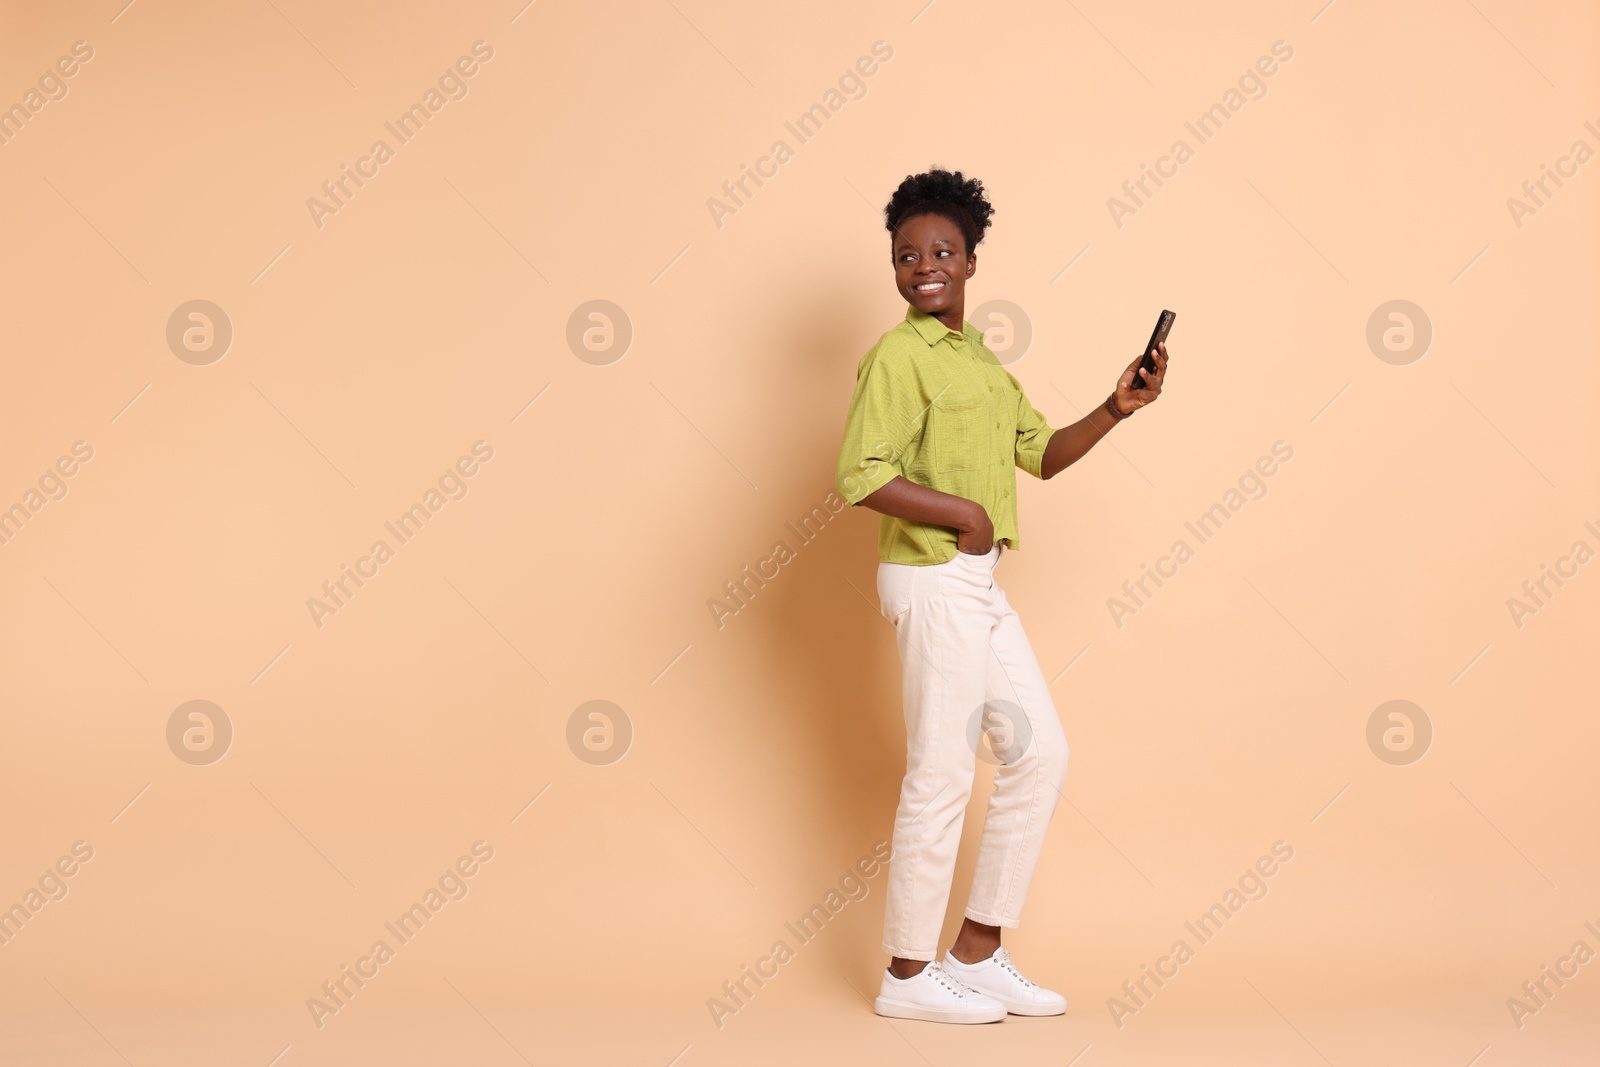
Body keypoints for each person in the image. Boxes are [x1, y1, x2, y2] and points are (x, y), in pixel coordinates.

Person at [834, 167, 1170, 1024]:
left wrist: (1117, 405)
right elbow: (859, 474)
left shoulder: (980, 362)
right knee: (942, 768)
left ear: (973, 261)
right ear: (897, 270)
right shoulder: (896, 357)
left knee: (1039, 753)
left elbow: (1045, 454)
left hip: (973, 582)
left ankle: (976, 952)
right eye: (907, 255)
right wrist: (965, 514)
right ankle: (907, 976)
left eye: (942, 250)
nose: (924, 266)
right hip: (930, 576)